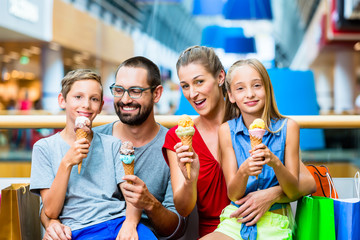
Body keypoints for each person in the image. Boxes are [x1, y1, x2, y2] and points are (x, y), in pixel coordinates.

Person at [162, 46, 316, 238]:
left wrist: (271, 194)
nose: (192, 93)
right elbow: (183, 210)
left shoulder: (253, 123)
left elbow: (308, 182)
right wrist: (190, 180)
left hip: (267, 224)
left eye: (199, 82)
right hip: (222, 230)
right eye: (185, 86)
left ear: (220, 78)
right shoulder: (180, 136)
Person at [41, 57, 184, 240]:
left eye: (135, 91)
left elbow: (176, 228)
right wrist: (51, 223)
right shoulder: (90, 138)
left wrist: (149, 204)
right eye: (119, 90)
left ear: (156, 94)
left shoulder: (174, 147)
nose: (125, 99)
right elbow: (48, 208)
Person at [206, 59, 301, 240]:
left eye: (257, 85)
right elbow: (233, 194)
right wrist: (243, 171)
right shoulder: (226, 131)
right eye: (240, 88)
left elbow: (294, 192)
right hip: (236, 219)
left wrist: (275, 163)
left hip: (276, 221)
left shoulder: (289, 128)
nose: (250, 94)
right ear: (231, 96)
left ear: (267, 89)